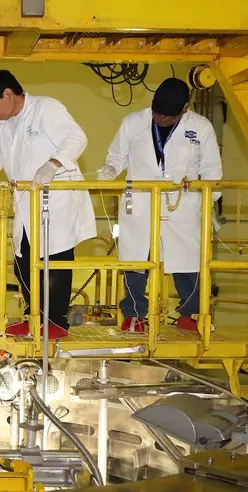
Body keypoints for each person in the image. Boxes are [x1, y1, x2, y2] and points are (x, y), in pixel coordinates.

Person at [0, 70, 96, 339]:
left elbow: (76, 138)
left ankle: (56, 323)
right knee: (23, 262)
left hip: (57, 200)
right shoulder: (2, 125)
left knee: (54, 262)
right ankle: (34, 319)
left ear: (8, 94)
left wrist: (52, 165)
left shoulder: (46, 108)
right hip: (27, 202)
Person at [97, 78, 222, 333]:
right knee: (136, 261)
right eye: (157, 113)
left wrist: (207, 199)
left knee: (188, 262)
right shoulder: (133, 122)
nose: (162, 119)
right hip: (141, 204)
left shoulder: (200, 127)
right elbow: (117, 155)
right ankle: (134, 315)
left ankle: (193, 313)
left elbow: (212, 170)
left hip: (182, 206)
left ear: (185, 108)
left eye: (169, 116)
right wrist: (111, 168)